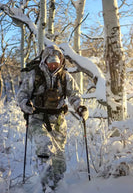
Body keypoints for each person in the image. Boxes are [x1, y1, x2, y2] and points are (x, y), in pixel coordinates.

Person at [17, 45, 89, 192]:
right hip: (37, 117)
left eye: (56, 61)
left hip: (58, 119)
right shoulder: (34, 75)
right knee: (44, 144)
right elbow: (22, 94)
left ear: (61, 61)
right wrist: (25, 104)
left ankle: (57, 186)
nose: (53, 64)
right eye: (50, 60)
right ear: (45, 60)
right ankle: (44, 184)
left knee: (58, 156)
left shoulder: (65, 77)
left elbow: (74, 95)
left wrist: (80, 107)